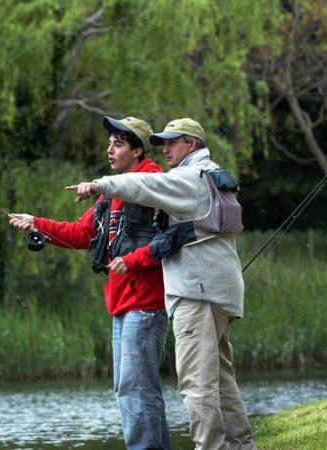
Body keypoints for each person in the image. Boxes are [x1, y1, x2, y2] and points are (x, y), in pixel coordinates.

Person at [69, 118, 256, 450]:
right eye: (163, 142)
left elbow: (145, 187)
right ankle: (240, 446)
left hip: (196, 295)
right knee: (222, 381)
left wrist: (101, 185)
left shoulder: (188, 178)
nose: (166, 148)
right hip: (222, 293)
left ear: (193, 144)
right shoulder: (214, 175)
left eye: (173, 141)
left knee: (197, 385)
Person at [9, 116, 172, 450]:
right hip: (121, 304)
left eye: (118, 143)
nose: (109, 149)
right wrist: (36, 222)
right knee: (130, 387)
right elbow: (83, 234)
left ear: (138, 150)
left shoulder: (153, 180)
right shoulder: (110, 195)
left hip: (146, 303)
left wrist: (99, 185)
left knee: (135, 388)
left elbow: (162, 234)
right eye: (110, 142)